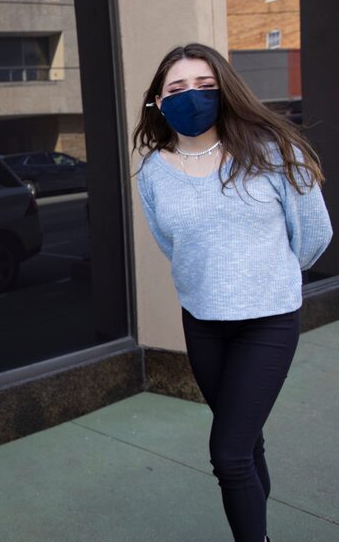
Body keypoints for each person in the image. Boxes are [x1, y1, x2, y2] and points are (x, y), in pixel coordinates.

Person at [133, 43, 332, 542]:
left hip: (268, 321)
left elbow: (313, 234)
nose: (191, 97)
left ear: (225, 90)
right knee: (247, 443)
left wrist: (269, 275)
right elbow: (171, 243)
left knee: (228, 454)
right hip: (203, 323)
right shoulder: (153, 172)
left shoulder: (272, 151)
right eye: (177, 88)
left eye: (204, 86)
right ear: (159, 101)